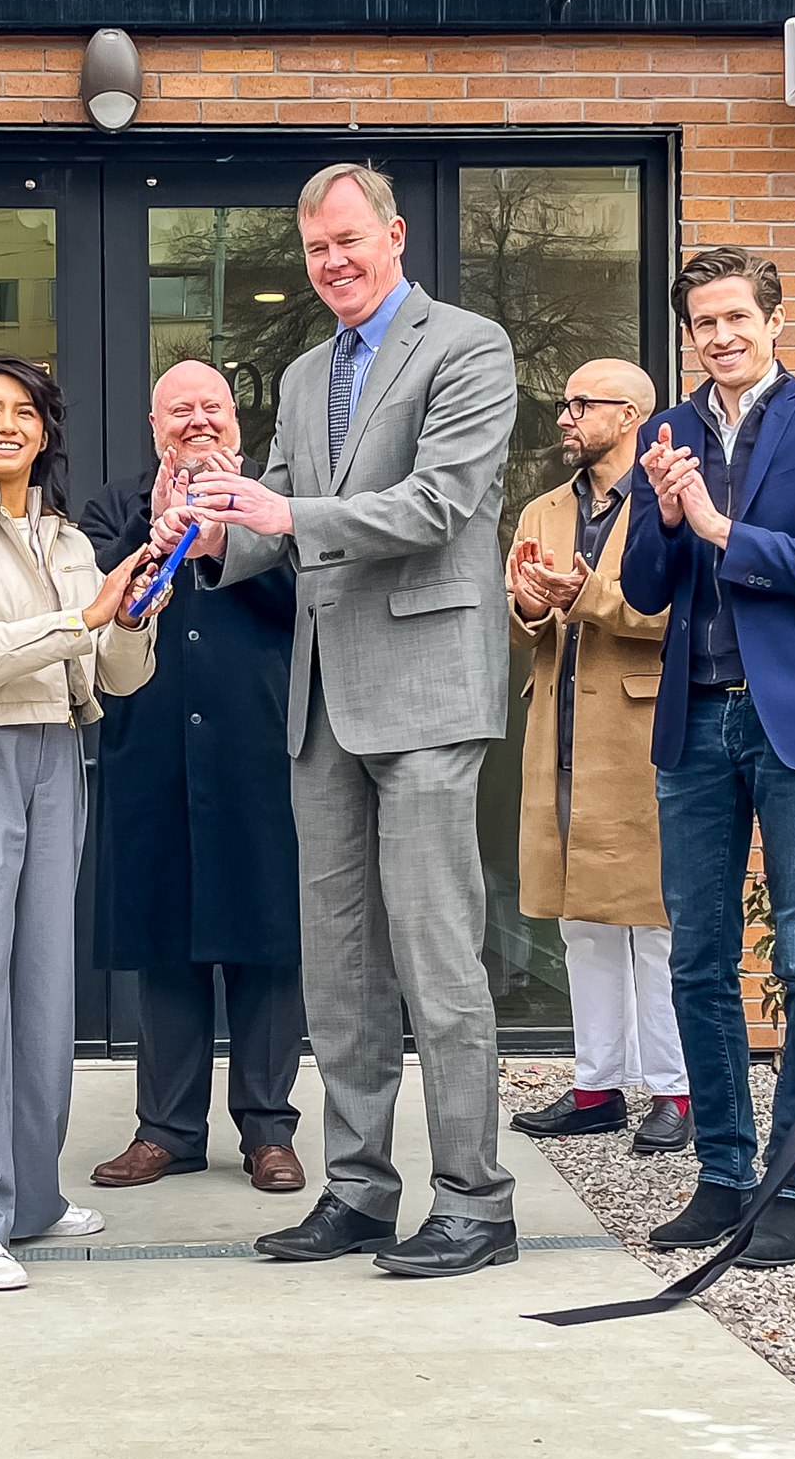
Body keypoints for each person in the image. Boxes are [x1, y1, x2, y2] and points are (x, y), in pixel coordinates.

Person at [164, 162, 521, 1280]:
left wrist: (282, 512)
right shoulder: (306, 370)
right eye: (316, 248)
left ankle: (475, 1201)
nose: (332, 263)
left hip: (424, 694)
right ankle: (359, 1190)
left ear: (395, 236)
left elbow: (438, 504)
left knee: (436, 959)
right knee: (339, 969)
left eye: (349, 241)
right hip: (322, 702)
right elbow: (274, 520)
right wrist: (212, 533)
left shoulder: (467, 347)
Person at [621, 246, 795, 1271]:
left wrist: (721, 527)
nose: (720, 336)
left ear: (772, 321)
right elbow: (645, 588)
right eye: (703, 323)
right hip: (695, 718)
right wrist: (664, 514)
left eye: (736, 317)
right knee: (697, 956)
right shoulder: (668, 431)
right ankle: (724, 1173)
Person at [0, 356, 164, 1291]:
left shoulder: (67, 539)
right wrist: (84, 615)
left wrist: (130, 619)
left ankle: (30, 1195)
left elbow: (114, 674)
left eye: (24, 411)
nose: (7, 424)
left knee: (43, 988)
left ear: (45, 431)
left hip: (57, 751)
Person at [81, 359, 306, 1197]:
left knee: (268, 940)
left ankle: (269, 1130)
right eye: (180, 410)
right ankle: (167, 1131)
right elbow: (102, 601)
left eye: (213, 407)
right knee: (166, 942)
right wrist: (157, 529)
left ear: (238, 422)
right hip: (153, 746)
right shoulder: (114, 505)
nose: (198, 421)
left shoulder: (275, 503)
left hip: (261, 747)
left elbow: (307, 599)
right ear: (155, 427)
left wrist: (235, 536)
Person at [504, 358, 691, 1155]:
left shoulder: (669, 502)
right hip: (560, 734)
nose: (565, 417)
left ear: (631, 415)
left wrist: (586, 596)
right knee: (581, 921)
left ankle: (676, 1092)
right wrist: (527, 604)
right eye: (565, 403)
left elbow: (676, 610)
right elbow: (520, 620)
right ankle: (596, 1088)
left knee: (653, 922)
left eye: (581, 404)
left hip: (640, 737)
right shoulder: (541, 508)